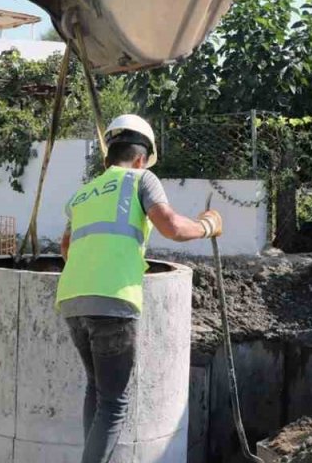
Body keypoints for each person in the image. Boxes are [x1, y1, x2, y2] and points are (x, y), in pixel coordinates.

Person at [55, 114, 223, 463]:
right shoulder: (141, 179)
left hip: (73, 300)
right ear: (141, 158)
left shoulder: (82, 194)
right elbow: (172, 227)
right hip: (113, 300)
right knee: (114, 403)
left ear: (109, 156)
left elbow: (66, 247)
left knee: (97, 389)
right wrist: (207, 226)